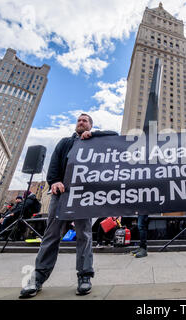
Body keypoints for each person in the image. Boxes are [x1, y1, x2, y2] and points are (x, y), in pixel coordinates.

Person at [19, 113, 118, 298]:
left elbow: (115, 134)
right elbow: (54, 163)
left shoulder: (95, 140)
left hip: (84, 196)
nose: (81, 122)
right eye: (79, 120)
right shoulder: (65, 142)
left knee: (84, 235)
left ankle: (85, 277)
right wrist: (54, 180)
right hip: (62, 194)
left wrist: (94, 135)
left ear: (90, 125)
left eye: (85, 121)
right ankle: (37, 279)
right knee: (51, 235)